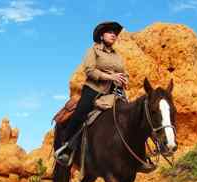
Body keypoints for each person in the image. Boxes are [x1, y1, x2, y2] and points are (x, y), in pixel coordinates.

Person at [55, 21, 155, 173]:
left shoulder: (117, 56)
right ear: (102, 36)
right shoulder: (93, 51)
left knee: (134, 118)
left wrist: (124, 79)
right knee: (80, 113)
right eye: (110, 32)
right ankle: (67, 148)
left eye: (115, 33)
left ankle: (141, 156)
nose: (114, 35)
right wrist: (110, 76)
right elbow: (89, 70)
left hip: (115, 93)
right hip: (94, 89)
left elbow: (123, 72)